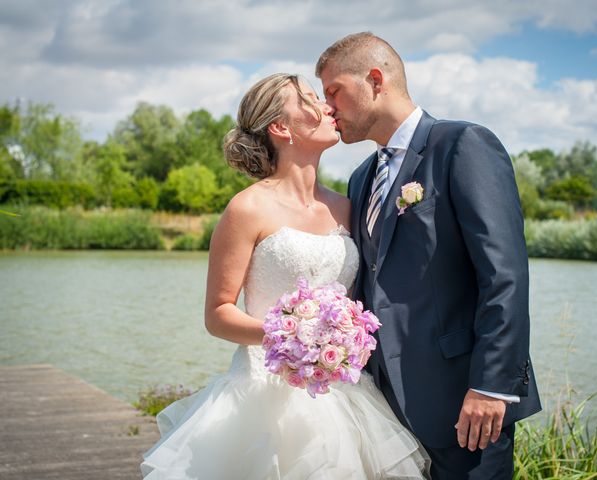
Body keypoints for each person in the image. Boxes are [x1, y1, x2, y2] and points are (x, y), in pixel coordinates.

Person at [140, 73, 428, 479]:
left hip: (342, 392)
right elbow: (218, 313)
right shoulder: (247, 209)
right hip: (264, 395)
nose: (328, 106)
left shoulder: (346, 206)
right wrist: (288, 338)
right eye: (311, 98)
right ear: (280, 127)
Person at [316, 32, 542, 479]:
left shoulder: (463, 144)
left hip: (467, 406)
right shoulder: (362, 178)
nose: (328, 108)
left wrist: (490, 386)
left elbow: (504, 276)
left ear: (375, 80)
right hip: (385, 410)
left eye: (333, 92)